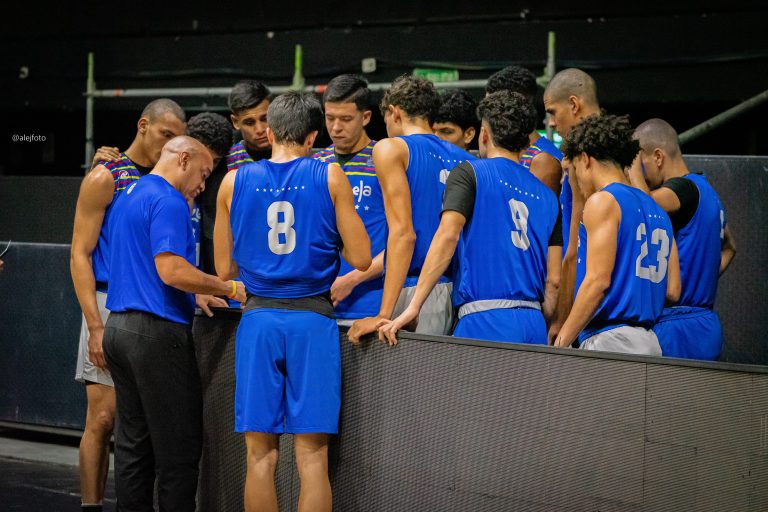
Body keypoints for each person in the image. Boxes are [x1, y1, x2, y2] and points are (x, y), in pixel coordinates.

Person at [214, 92, 370, 512]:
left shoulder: (233, 181)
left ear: (269, 131)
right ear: (313, 136)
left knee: (259, 457)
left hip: (258, 320)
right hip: (312, 320)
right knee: (313, 458)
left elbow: (224, 268)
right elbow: (361, 257)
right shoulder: (330, 175)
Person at [102, 136, 245, 512]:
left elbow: (141, 264)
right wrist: (228, 287)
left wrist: (195, 293)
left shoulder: (130, 194)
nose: (203, 184)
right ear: (183, 159)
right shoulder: (169, 200)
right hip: (156, 336)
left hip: (118, 330)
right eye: (204, 173)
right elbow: (171, 270)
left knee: (133, 448)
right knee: (178, 452)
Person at [69, 98, 186, 512]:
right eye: (164, 134)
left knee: (142, 427)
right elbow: (79, 254)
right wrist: (94, 325)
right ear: (142, 125)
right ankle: (91, 505)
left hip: (153, 305)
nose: (169, 144)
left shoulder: (171, 179)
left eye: (176, 138)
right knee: (103, 419)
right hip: (108, 301)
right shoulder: (107, 175)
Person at [379, 91, 561, 345]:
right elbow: (554, 281)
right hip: (534, 321)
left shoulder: (469, 173)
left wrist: (414, 305)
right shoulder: (548, 197)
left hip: (484, 319)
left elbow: (447, 236)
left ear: (484, 134)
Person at [348, 75, 474, 343]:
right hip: (453, 292)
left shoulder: (391, 149)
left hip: (411, 290)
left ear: (394, 112)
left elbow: (404, 235)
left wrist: (383, 314)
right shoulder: (467, 159)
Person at [553, 115, 681, 355]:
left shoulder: (603, 201)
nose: (577, 180)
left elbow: (597, 282)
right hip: (651, 344)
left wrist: (560, 344)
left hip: (610, 342)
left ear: (585, 159)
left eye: (575, 169)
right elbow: (673, 290)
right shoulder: (658, 211)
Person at [629, 118, 736, 360]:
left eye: (641, 162)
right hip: (707, 326)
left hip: (678, 328)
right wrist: (702, 278)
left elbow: (645, 206)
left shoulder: (682, 189)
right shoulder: (709, 192)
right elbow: (731, 246)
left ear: (658, 156)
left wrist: (632, 167)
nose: (642, 174)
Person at [313, 74, 386, 324]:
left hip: (370, 305)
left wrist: (353, 279)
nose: (335, 128)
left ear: (366, 117)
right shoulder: (315, 165)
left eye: (345, 119)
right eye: (330, 118)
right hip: (319, 305)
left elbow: (404, 240)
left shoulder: (384, 161)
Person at [542, 68, 602, 344]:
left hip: (591, 304)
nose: (552, 123)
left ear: (574, 104)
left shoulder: (582, 160)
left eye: (553, 112)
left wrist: (561, 320)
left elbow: (574, 250)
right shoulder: (629, 153)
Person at [486, 65, 562, 194]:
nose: (487, 114)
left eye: (492, 107)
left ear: (515, 105)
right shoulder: (503, 150)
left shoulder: (542, 160)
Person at [185, 112, 234, 271]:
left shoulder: (226, 181)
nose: (208, 166)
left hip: (217, 276)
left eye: (215, 161)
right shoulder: (163, 178)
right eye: (204, 158)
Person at [226, 80, 272, 172]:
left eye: (265, 119)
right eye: (249, 123)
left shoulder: (298, 154)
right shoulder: (226, 162)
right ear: (235, 122)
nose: (260, 129)